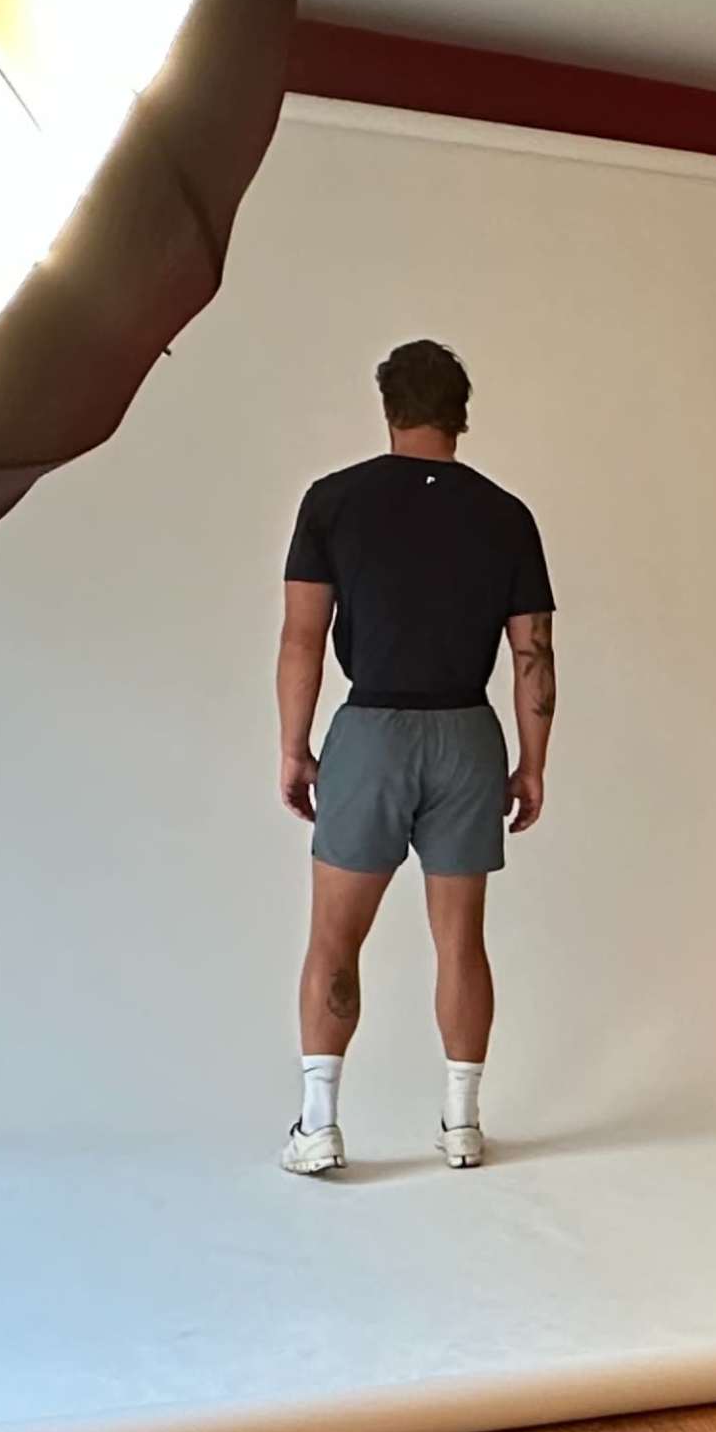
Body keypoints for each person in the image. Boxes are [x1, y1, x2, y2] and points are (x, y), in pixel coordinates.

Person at [274, 339, 556, 1175]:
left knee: (334, 939)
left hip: (371, 733)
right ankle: (462, 1125)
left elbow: (302, 638)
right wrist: (533, 761)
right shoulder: (506, 514)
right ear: (460, 415)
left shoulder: (332, 502)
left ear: (389, 409)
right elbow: (533, 652)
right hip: (468, 734)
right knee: (460, 940)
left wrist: (295, 747)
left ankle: (319, 1125)